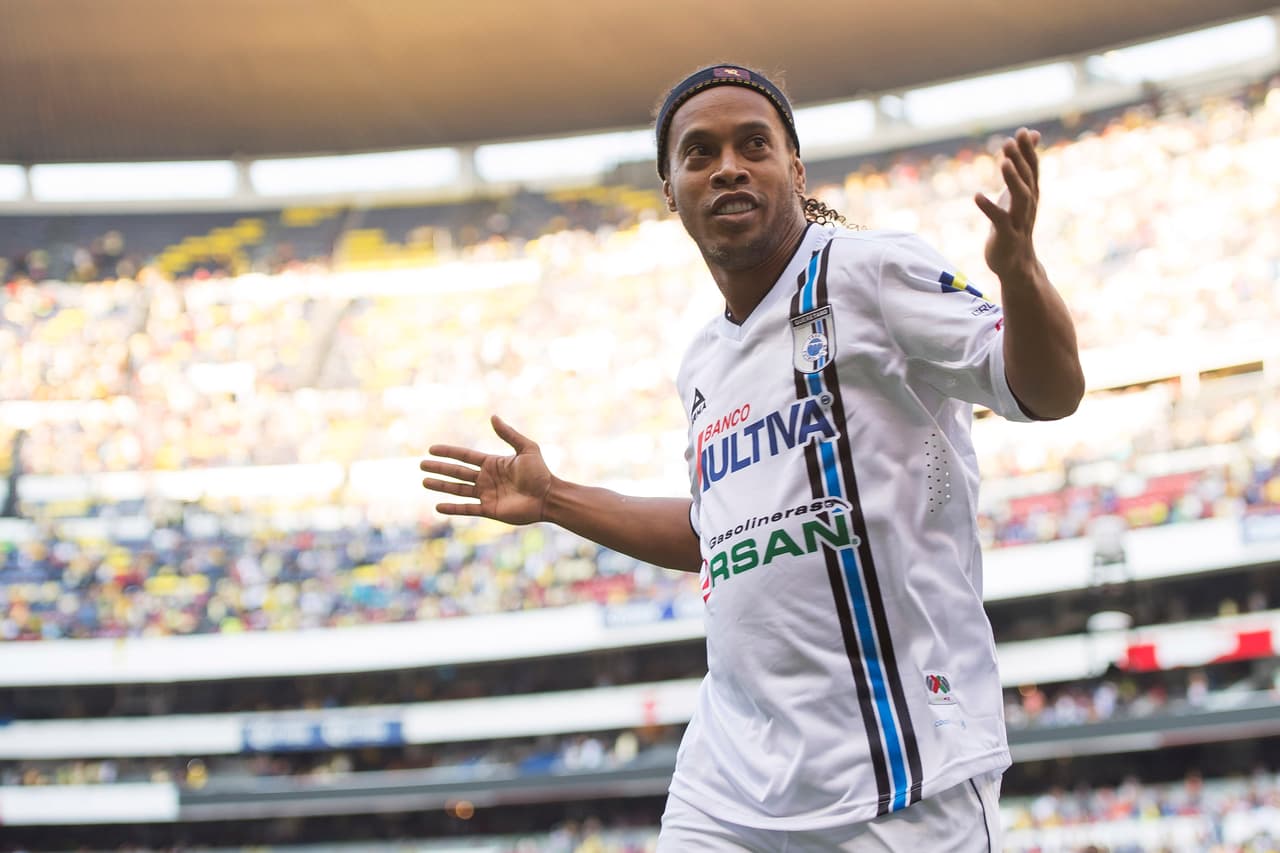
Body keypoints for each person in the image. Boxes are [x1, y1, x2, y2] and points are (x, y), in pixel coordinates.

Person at [421, 64, 1084, 852]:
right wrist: (557, 496)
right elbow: (718, 535)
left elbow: (1048, 390)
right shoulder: (703, 361)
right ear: (671, 189)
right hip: (731, 782)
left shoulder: (868, 272)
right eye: (699, 153)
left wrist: (1020, 275)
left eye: (753, 145)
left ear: (794, 170)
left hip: (901, 774)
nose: (728, 165)